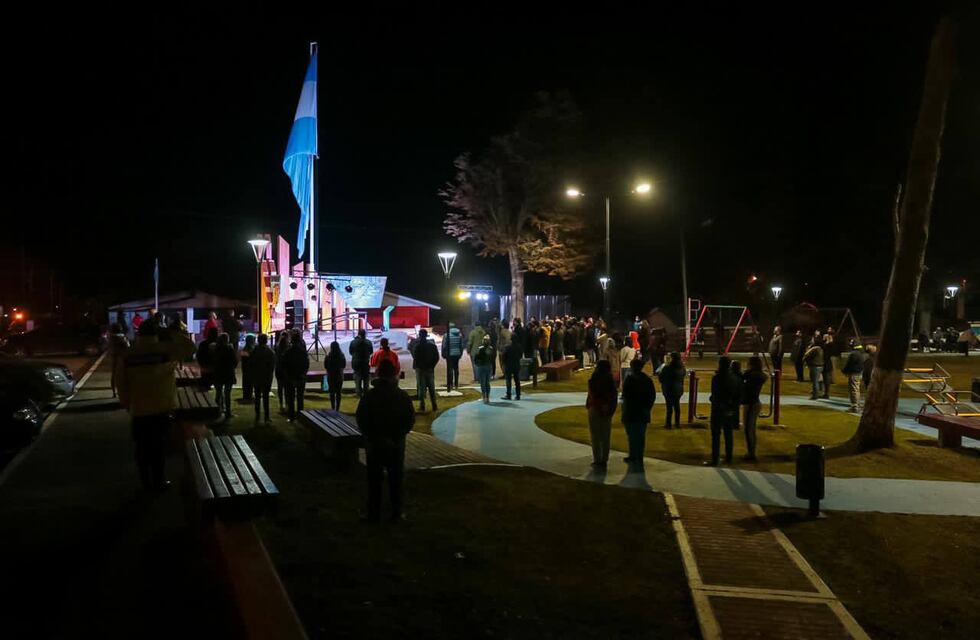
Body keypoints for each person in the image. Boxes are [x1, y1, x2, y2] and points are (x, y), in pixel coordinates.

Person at [117, 320, 195, 490]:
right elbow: (190, 347)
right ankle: (159, 481)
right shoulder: (165, 350)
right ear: (157, 334)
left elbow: (121, 382)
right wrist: (171, 333)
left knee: (142, 448)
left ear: (139, 334)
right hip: (162, 407)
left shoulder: (128, 354)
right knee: (159, 447)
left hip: (139, 409)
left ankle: (145, 482)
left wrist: (126, 403)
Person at [356, 359, 415, 524]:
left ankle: (373, 513)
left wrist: (373, 436)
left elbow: (361, 419)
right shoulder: (401, 396)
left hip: (375, 445)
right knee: (396, 480)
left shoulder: (369, 396)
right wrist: (396, 436)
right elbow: (409, 420)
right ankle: (397, 513)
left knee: (374, 480)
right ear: (393, 375)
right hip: (396, 445)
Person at [621, 358, 655, 468]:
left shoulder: (630, 379)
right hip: (642, 412)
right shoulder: (647, 380)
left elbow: (625, 395)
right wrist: (647, 408)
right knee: (640, 435)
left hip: (631, 411)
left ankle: (633, 455)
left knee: (632, 435)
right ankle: (638, 456)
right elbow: (652, 396)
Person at [707, 357, 739, 466]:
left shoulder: (717, 377)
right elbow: (737, 394)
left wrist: (714, 400)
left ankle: (715, 459)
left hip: (718, 409)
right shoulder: (734, 377)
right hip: (729, 408)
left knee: (716, 434)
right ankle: (729, 457)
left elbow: (715, 394)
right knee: (728, 433)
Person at [586, 360, 618, 468]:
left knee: (595, 436)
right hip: (607, 409)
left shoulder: (594, 379)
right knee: (605, 435)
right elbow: (614, 396)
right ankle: (604, 459)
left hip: (595, 408)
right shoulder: (610, 381)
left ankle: (597, 459)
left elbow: (591, 395)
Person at [741, 356, 767, 461]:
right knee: (750, 429)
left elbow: (746, 387)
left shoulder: (752, 376)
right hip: (754, 403)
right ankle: (751, 452)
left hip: (751, 404)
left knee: (749, 429)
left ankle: (751, 453)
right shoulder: (759, 375)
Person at [283, 330, 310, 421]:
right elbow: (306, 364)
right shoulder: (303, 351)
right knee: (300, 398)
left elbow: (285, 365)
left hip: (291, 378)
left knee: (291, 398)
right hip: (300, 377)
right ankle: (300, 415)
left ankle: (291, 417)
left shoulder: (288, 351)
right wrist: (303, 374)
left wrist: (288, 376)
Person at [212, 333, 239, 422]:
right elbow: (235, 361)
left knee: (218, 393)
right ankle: (227, 412)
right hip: (228, 374)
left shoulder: (215, 349)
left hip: (218, 374)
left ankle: (217, 411)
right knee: (227, 394)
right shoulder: (229, 349)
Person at [250, 333, 276, 424]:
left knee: (257, 397)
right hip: (266, 378)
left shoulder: (254, 351)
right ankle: (266, 417)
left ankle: (257, 416)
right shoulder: (270, 351)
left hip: (257, 377)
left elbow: (251, 364)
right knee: (265, 398)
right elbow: (272, 366)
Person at [412, 329, 439, 412]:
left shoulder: (417, 345)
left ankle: (422, 405)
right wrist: (432, 366)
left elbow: (415, 357)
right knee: (431, 387)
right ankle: (434, 405)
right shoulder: (432, 345)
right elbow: (436, 357)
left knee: (421, 387)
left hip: (420, 369)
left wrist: (418, 366)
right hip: (430, 369)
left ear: (420, 336)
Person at [658, 352, 686, 429]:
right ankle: (677, 423)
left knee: (669, 407)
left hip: (669, 389)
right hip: (679, 389)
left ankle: (668, 424)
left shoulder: (667, 368)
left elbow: (661, 378)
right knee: (677, 406)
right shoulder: (682, 367)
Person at [841, 344, 868, 412]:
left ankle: (855, 406)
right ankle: (857, 404)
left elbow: (849, 364)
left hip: (854, 373)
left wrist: (844, 371)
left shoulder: (854, 354)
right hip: (859, 373)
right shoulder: (862, 354)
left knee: (853, 389)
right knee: (856, 389)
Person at [348, 329, 374, 398]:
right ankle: (366, 394)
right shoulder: (368, 342)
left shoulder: (353, 342)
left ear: (358, 334)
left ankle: (358, 393)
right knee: (366, 379)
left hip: (356, 363)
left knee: (357, 378)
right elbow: (371, 352)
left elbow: (350, 352)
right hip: (365, 363)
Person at [107, 323, 130, 398]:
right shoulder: (122, 337)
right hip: (121, 357)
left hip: (113, 357)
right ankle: (124, 391)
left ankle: (114, 392)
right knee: (124, 374)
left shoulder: (110, 337)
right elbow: (128, 346)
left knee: (113, 375)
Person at [472, 335, 495, 404]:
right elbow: (493, 358)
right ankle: (487, 397)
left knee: (483, 383)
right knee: (487, 382)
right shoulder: (491, 349)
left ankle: (484, 397)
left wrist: (477, 364)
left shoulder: (480, 348)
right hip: (489, 366)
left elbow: (476, 358)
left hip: (482, 367)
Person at [325, 341, 347, 410]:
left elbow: (325, 366)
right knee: (338, 392)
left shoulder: (328, 356)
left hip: (331, 376)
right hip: (339, 375)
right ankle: (338, 408)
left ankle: (332, 407)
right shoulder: (341, 355)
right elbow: (344, 365)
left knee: (332, 393)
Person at [195, 327, 219, 391]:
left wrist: (201, 364)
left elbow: (199, 355)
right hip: (214, 367)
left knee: (205, 383)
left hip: (205, 366)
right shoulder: (218, 344)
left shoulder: (203, 344)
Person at [442, 323, 463, 392]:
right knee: (456, 369)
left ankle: (450, 384)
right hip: (457, 354)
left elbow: (444, 345)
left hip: (449, 354)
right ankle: (456, 384)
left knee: (450, 369)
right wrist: (461, 353)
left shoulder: (446, 335)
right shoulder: (459, 335)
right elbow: (461, 345)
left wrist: (443, 354)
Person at [275, 330, 291, 410]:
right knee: (287, 389)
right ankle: (287, 404)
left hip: (278, 369)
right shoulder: (288, 348)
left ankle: (281, 404)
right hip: (286, 370)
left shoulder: (277, 347)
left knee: (280, 388)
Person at [503, 336, 523, 400]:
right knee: (517, 381)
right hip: (516, 365)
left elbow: (504, 357)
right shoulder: (519, 347)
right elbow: (520, 356)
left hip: (509, 365)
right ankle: (518, 395)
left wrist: (505, 363)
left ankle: (508, 394)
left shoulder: (507, 347)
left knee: (508, 380)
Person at [240, 333, 256, 402]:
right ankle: (248, 396)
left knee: (246, 382)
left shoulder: (244, 348)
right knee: (249, 383)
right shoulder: (250, 349)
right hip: (249, 369)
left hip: (245, 369)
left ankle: (246, 395)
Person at [821, 333, 836, 398]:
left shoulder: (830, 345)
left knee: (826, 379)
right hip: (825, 362)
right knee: (824, 379)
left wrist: (828, 342)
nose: (823, 338)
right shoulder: (825, 344)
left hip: (827, 363)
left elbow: (828, 352)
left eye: (824, 337)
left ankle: (826, 393)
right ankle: (825, 393)